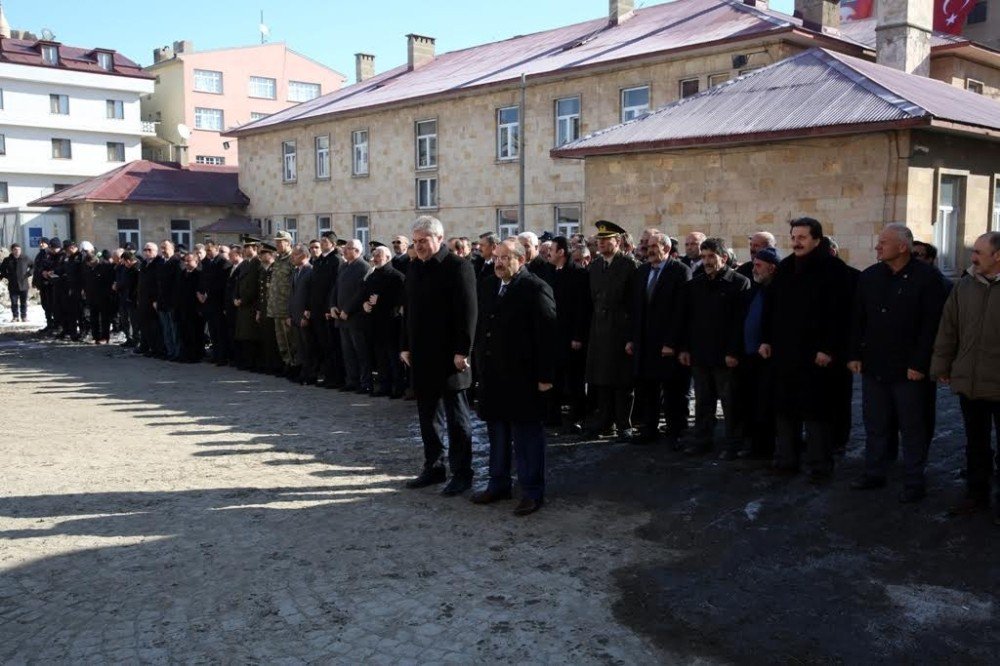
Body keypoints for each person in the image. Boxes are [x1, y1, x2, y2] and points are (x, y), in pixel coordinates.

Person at [848, 223, 949, 503]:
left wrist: (920, 363)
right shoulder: (870, 277)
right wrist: (854, 354)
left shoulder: (928, 279)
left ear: (903, 247)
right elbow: (858, 319)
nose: (877, 247)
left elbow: (932, 326)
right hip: (875, 365)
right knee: (876, 422)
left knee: (914, 426)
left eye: (883, 242)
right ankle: (875, 471)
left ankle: (914, 479)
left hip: (910, 370)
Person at [760, 218, 851, 483]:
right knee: (785, 411)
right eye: (793, 237)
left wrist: (829, 348)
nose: (796, 242)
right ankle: (786, 460)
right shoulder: (787, 268)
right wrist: (766, 339)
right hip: (786, 356)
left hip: (818, 358)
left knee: (817, 414)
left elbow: (840, 316)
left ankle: (819, 465)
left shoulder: (835, 271)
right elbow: (771, 308)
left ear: (817, 240)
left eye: (802, 237)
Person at [471, 238, 557, 516]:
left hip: (524, 378)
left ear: (520, 260)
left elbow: (548, 337)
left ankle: (532, 491)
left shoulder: (535, 288)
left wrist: (546, 376)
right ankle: (498, 484)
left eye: (505, 258)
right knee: (496, 433)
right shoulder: (488, 285)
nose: (498, 262)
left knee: (527, 437)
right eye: (496, 257)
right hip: (494, 376)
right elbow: (483, 325)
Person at [401, 215, 478, 496]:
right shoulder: (414, 268)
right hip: (421, 356)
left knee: (457, 420)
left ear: (439, 239)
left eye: (424, 241)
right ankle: (433, 466)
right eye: (416, 241)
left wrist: (463, 350)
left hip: (450, 358)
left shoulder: (458, 267)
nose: (419, 246)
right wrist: (404, 345)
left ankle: (462, 472)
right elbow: (408, 312)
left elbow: (469, 313)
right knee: (427, 416)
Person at [931, 231, 1000, 523]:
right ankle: (976, 496)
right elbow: (949, 327)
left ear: (997, 256)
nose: (972, 257)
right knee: (975, 443)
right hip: (970, 381)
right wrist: (941, 365)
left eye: (979, 253)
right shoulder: (965, 285)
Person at [679, 237, 750, 456]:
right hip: (700, 354)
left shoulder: (739, 283)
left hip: (725, 356)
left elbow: (740, 323)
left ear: (724, 257)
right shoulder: (695, 285)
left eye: (712, 256)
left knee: (731, 404)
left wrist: (733, 352)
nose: (707, 261)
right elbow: (686, 320)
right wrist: (684, 348)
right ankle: (702, 440)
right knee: (703, 402)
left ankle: (732, 444)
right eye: (703, 257)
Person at [627, 233, 691, 445]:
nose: (650, 250)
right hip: (644, 343)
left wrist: (672, 343)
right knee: (647, 389)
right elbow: (635, 308)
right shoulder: (643, 271)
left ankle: (675, 431)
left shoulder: (679, 270)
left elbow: (682, 310)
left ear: (666, 247)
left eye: (654, 246)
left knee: (673, 390)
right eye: (648, 246)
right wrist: (632, 338)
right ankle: (649, 429)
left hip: (667, 343)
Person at [583, 220, 639, 442]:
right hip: (599, 329)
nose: (602, 244)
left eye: (606, 241)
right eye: (600, 241)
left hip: (620, 330)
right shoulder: (596, 266)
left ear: (617, 241)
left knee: (622, 382)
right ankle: (605, 422)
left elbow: (634, 304)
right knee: (602, 379)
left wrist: (630, 336)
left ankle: (624, 423)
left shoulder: (629, 265)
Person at [734, 246, 781, 460]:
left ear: (772, 268)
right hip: (748, 357)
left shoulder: (779, 292)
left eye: (759, 266)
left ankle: (766, 447)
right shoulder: (754, 289)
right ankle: (751, 443)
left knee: (765, 405)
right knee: (749, 402)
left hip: (768, 359)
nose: (755, 269)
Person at [547, 235, 592, 432]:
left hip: (572, 338)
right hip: (556, 337)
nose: (548, 254)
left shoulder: (579, 274)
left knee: (575, 381)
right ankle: (555, 417)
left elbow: (582, 309)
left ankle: (578, 417)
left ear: (561, 252)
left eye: (552, 250)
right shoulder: (552, 273)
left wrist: (578, 336)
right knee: (556, 379)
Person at [363, 244, 406, 397]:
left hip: (390, 323)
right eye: (374, 255)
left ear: (387, 257)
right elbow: (365, 293)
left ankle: (399, 387)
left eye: (378, 255)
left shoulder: (397, 276)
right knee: (380, 357)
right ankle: (384, 386)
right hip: (374, 323)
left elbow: (400, 300)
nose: (374, 258)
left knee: (393, 357)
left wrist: (380, 300)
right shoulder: (372, 275)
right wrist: (365, 304)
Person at [332, 239, 373, 393]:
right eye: (345, 248)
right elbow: (335, 288)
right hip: (341, 316)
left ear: (357, 251)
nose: (345, 251)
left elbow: (361, 293)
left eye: (349, 248)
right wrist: (333, 305)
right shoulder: (343, 266)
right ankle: (352, 380)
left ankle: (365, 383)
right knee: (347, 352)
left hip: (355, 317)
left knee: (360, 352)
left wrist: (348, 309)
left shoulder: (363, 267)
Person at [310, 233, 344, 388]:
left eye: (325, 241)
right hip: (317, 309)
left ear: (333, 243)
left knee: (332, 345)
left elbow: (334, 287)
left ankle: (336, 377)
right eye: (321, 240)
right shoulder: (319, 261)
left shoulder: (335, 260)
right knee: (322, 345)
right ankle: (327, 375)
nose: (322, 243)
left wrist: (330, 307)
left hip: (328, 310)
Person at [267, 231, 297, 376]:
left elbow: (294, 285)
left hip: (286, 307)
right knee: (281, 341)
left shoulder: (292, 259)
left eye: (280, 241)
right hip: (276, 307)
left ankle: (294, 365)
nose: (277, 244)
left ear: (288, 242)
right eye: (276, 241)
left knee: (291, 339)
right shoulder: (278, 259)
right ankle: (286, 363)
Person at [288, 246, 317, 384]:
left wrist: (307, 314)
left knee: (309, 346)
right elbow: (292, 295)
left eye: (295, 254)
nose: (292, 257)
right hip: (295, 315)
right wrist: (289, 314)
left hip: (304, 316)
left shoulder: (310, 271)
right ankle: (303, 372)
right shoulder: (296, 271)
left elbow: (312, 295)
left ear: (304, 255)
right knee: (300, 347)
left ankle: (310, 374)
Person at [234, 239, 263, 371]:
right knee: (244, 335)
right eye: (244, 247)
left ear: (255, 248)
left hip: (251, 305)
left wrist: (243, 300)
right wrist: (235, 297)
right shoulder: (245, 263)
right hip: (242, 305)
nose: (245, 250)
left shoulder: (258, 263)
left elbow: (255, 287)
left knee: (252, 335)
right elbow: (238, 283)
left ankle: (253, 363)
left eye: (248, 247)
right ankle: (246, 361)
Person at [257, 243, 283, 375]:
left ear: (272, 254)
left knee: (274, 339)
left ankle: (276, 366)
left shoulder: (274, 269)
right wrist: (259, 310)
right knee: (266, 338)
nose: (261, 256)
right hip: (265, 309)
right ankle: (269, 364)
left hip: (273, 308)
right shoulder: (264, 269)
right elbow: (261, 292)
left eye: (263, 253)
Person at [175, 251, 205, 362]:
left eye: (189, 260)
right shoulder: (182, 273)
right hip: (183, 308)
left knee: (195, 333)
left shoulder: (199, 274)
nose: (186, 263)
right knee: (184, 333)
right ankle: (185, 354)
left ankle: (196, 355)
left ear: (196, 261)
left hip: (195, 310)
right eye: (185, 261)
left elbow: (201, 292)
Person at [81, 247, 116, 344]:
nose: (89, 265)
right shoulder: (88, 268)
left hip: (103, 297)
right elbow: (86, 280)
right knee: (93, 317)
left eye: (90, 264)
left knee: (104, 318)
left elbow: (109, 281)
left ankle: (105, 337)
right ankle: (95, 336)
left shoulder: (105, 266)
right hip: (91, 296)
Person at [154, 241, 182, 360]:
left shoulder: (177, 262)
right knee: (166, 329)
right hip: (162, 301)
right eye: (161, 248)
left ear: (172, 248)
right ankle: (170, 351)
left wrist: (175, 302)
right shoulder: (161, 262)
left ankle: (177, 352)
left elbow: (177, 285)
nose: (163, 250)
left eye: (165, 248)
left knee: (174, 329)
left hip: (172, 302)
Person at [0, 244, 32, 322]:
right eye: (15, 249)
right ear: (12, 250)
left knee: (23, 302)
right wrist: (8, 276)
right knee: (14, 302)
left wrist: (29, 274)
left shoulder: (25, 258)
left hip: (23, 284)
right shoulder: (7, 260)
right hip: (13, 285)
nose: (17, 251)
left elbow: (33, 266)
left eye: (18, 249)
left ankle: (24, 316)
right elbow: (2, 270)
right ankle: (15, 317)